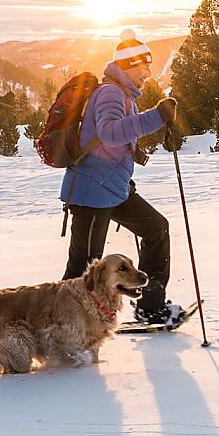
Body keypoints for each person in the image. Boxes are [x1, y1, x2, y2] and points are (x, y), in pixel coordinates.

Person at [60, 29, 181, 325]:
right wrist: (157, 116)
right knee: (83, 269)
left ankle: (150, 306)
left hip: (115, 190)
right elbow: (111, 133)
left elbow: (115, 143)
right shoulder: (110, 93)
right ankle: (63, 326)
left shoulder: (124, 96)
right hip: (91, 193)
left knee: (156, 228)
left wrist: (129, 165)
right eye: (145, 67)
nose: (149, 74)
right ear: (130, 66)